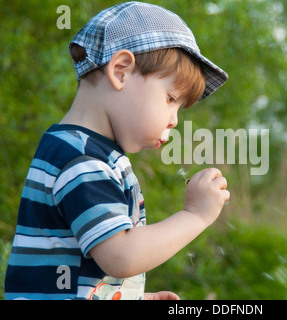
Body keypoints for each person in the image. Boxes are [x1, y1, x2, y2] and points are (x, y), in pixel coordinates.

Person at [5, 1, 229, 300]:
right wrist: (195, 215)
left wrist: (131, 296)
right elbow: (120, 256)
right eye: (171, 98)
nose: (175, 120)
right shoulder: (82, 160)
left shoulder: (83, 152)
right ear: (121, 71)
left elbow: (90, 264)